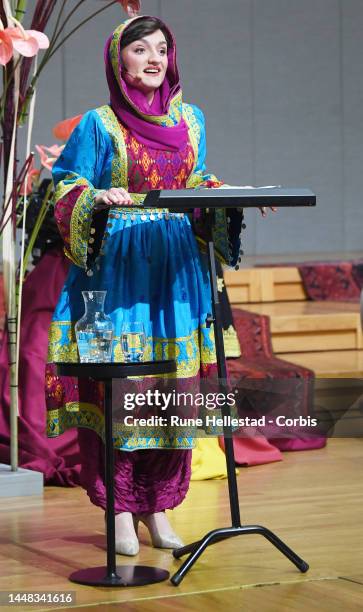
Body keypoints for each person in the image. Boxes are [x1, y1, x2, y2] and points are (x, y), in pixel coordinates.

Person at [45, 14, 258, 556]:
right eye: (140, 49)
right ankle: (118, 509)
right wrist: (95, 199)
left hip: (176, 269)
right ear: (119, 61)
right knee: (121, 390)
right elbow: (65, 184)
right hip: (117, 271)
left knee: (172, 393)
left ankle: (160, 506)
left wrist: (224, 193)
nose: (154, 58)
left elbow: (196, 179)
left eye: (162, 48)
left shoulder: (192, 119)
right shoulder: (99, 124)